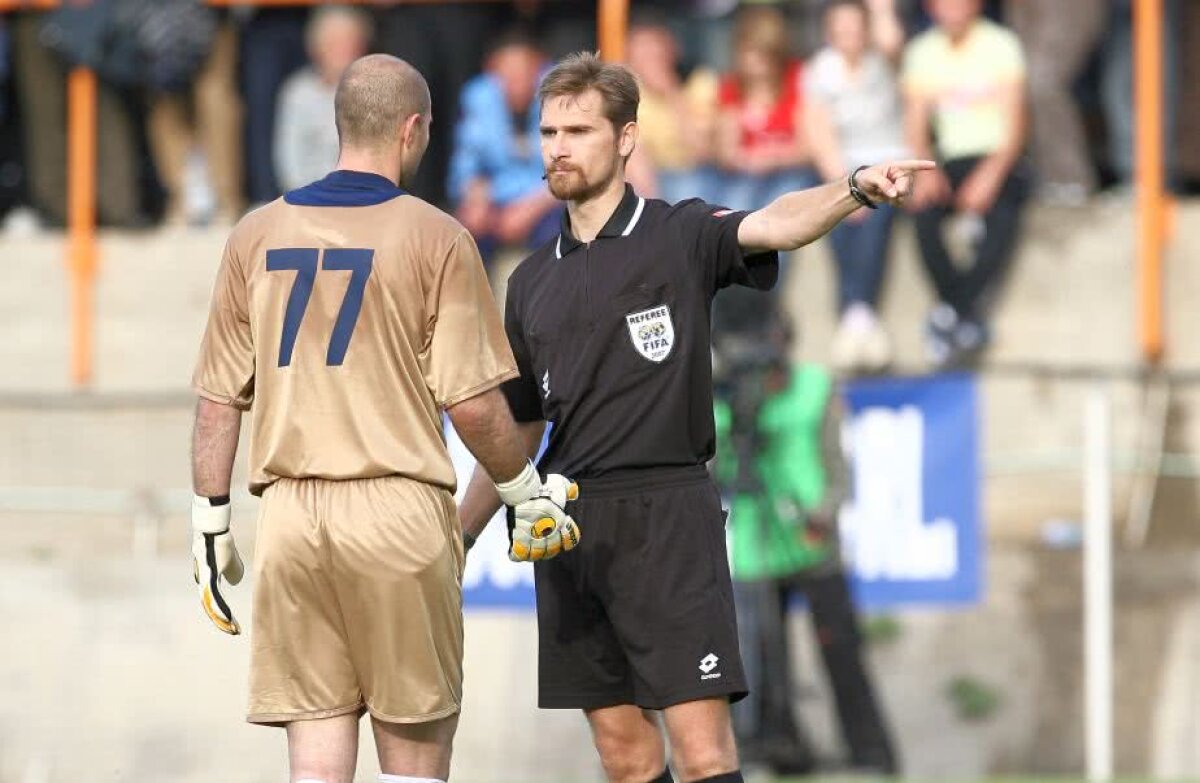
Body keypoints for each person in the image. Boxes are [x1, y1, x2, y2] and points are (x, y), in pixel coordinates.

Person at [456, 51, 931, 783]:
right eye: (548, 130)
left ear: (625, 139)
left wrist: (853, 188)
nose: (557, 146)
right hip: (568, 525)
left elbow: (775, 223)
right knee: (624, 755)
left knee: (704, 752)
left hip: (668, 518)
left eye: (578, 130)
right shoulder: (528, 280)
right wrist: (457, 534)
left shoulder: (677, 233)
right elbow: (517, 431)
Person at [188, 54, 580, 783]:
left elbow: (218, 399)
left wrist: (210, 520)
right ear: (412, 130)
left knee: (316, 762)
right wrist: (523, 491)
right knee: (413, 762)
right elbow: (470, 402)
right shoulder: (437, 237)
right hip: (397, 509)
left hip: (292, 518)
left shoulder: (254, 233)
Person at [711, 306, 897, 776]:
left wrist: (827, 514)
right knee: (766, 660)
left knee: (842, 652)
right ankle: (785, 748)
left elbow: (839, 465)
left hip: (813, 540)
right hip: (756, 546)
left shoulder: (816, 386)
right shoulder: (719, 401)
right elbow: (713, 474)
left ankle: (871, 753)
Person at [903, 0, 1028, 367]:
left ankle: (950, 312)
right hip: (948, 159)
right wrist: (926, 170)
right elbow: (916, 124)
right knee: (921, 213)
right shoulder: (922, 51)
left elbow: (1016, 125)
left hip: (996, 156)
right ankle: (965, 313)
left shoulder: (1001, 44)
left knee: (1004, 215)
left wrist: (991, 174)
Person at [805, 0, 908, 374]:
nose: (849, 36)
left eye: (855, 27)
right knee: (837, 217)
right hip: (844, 168)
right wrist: (850, 188)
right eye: (841, 28)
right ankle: (859, 312)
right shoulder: (820, 70)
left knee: (878, 216)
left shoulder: (884, 62)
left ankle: (854, 311)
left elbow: (892, 42)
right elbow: (818, 133)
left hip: (890, 162)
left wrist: (880, 9)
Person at [448, 28, 561, 262]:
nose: (515, 81)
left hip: (546, 200)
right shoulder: (478, 97)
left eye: (523, 71)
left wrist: (527, 210)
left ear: (539, 68)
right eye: (506, 72)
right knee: (460, 233)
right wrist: (475, 198)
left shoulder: (562, 98)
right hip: (497, 199)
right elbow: (467, 163)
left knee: (560, 232)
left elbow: (571, 172)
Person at [714, 5, 816, 214]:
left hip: (792, 172)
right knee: (733, 208)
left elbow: (809, 148)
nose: (753, 61)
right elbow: (727, 153)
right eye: (748, 52)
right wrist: (749, 160)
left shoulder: (797, 78)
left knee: (781, 211)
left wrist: (776, 157)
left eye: (761, 53)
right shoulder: (731, 87)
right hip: (747, 174)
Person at [624, 12, 720, 205]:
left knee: (689, 189)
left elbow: (702, 151)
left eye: (655, 46)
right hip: (648, 177)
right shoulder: (624, 89)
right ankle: (653, 222)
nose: (649, 55)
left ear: (672, 49)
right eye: (641, 47)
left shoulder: (700, 82)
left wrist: (672, 93)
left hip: (695, 172)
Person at [274, 6, 372, 193]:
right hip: (308, 198)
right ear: (316, 47)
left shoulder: (378, 92)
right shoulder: (297, 93)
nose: (343, 50)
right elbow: (288, 160)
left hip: (365, 198)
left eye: (349, 42)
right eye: (334, 43)